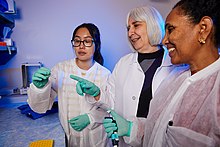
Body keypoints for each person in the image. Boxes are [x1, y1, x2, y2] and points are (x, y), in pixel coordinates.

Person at [103, 0, 220, 146]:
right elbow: (157, 128)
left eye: (170, 29)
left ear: (203, 28)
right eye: (128, 28)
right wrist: (130, 128)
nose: (164, 40)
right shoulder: (174, 79)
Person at [71, 5, 175, 147]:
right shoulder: (124, 63)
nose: (130, 32)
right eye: (128, 28)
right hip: (126, 142)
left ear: (152, 25)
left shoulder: (175, 65)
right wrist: (97, 93)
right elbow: (112, 102)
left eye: (136, 25)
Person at [27, 23, 111, 147]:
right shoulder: (60, 70)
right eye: (77, 41)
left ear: (96, 45)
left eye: (87, 41)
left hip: (97, 138)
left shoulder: (105, 74)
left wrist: (91, 118)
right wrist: (41, 88)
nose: (81, 46)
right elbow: (40, 108)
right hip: (71, 137)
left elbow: (111, 108)